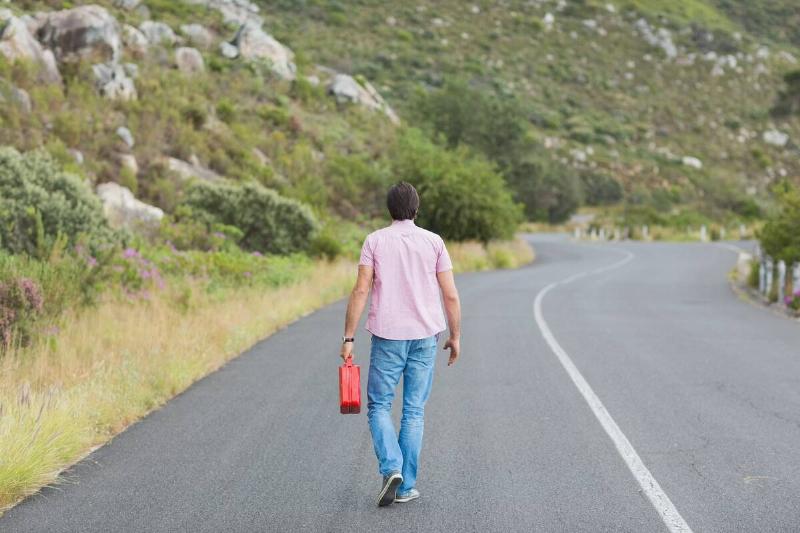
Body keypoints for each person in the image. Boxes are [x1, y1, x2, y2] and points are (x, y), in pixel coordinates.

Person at [340, 181, 462, 507]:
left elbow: (361, 290)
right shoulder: (434, 242)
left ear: (389, 209)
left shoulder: (375, 241)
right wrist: (456, 335)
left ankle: (391, 466)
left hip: (388, 337)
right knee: (413, 411)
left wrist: (349, 337)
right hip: (425, 337)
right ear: (416, 208)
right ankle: (406, 485)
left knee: (379, 406)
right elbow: (449, 293)